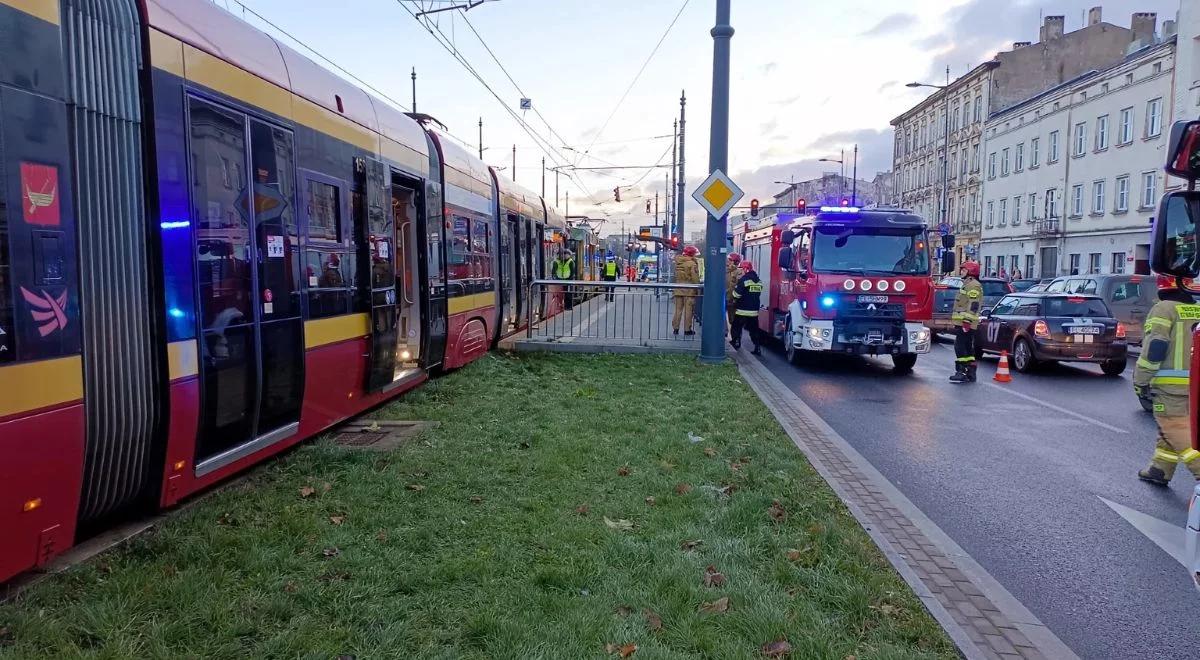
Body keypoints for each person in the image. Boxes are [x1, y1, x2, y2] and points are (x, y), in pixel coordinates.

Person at [1135, 276, 1200, 485]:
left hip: (1171, 385)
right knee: (1173, 426)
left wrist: (1140, 379)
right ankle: (1160, 468)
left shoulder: (1164, 308)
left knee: (1174, 427)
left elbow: (1156, 348)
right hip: (1194, 383)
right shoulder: (1197, 308)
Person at [949, 261, 984, 383]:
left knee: (960, 347)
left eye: (964, 270)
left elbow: (974, 305)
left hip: (966, 323)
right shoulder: (967, 284)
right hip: (964, 322)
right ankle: (970, 372)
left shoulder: (973, 285)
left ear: (970, 272)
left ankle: (962, 371)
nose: (961, 271)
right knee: (968, 348)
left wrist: (967, 321)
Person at [730, 260, 764, 355]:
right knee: (754, 330)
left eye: (742, 269)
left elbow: (736, 295)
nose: (741, 271)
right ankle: (757, 347)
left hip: (742, 310)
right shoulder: (758, 281)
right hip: (754, 311)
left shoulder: (743, 280)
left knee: (736, 327)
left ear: (745, 269)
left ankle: (736, 342)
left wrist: (733, 293)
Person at [672, 245, 701, 335]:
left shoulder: (678, 263)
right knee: (689, 311)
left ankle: (675, 328)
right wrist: (698, 287)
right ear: (692, 254)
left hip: (678, 289)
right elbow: (695, 278)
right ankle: (687, 330)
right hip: (689, 290)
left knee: (678, 310)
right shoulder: (692, 264)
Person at [725, 252, 743, 336]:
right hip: (733, 298)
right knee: (734, 320)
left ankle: (725, 333)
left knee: (724, 317)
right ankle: (735, 337)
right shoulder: (739, 272)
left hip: (726, 297)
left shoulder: (723, 270)